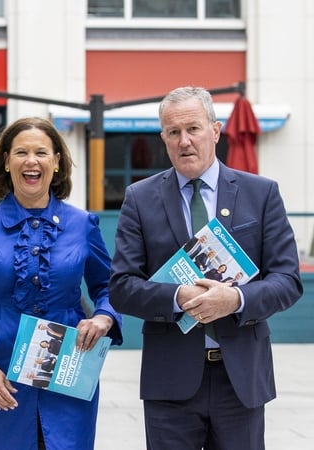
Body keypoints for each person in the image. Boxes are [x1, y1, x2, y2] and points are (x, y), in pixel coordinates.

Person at [109, 86, 303, 450]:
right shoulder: (140, 198)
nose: (184, 141)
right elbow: (121, 286)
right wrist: (179, 297)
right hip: (170, 381)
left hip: (241, 380)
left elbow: (287, 280)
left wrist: (236, 299)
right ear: (163, 138)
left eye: (193, 129)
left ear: (214, 131)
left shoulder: (261, 193)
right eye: (173, 132)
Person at [0, 116, 123, 450]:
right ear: (6, 163)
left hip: (67, 374)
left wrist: (103, 317)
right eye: (21, 152)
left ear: (56, 162)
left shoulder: (83, 224)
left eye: (41, 152)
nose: (31, 161)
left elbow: (110, 286)